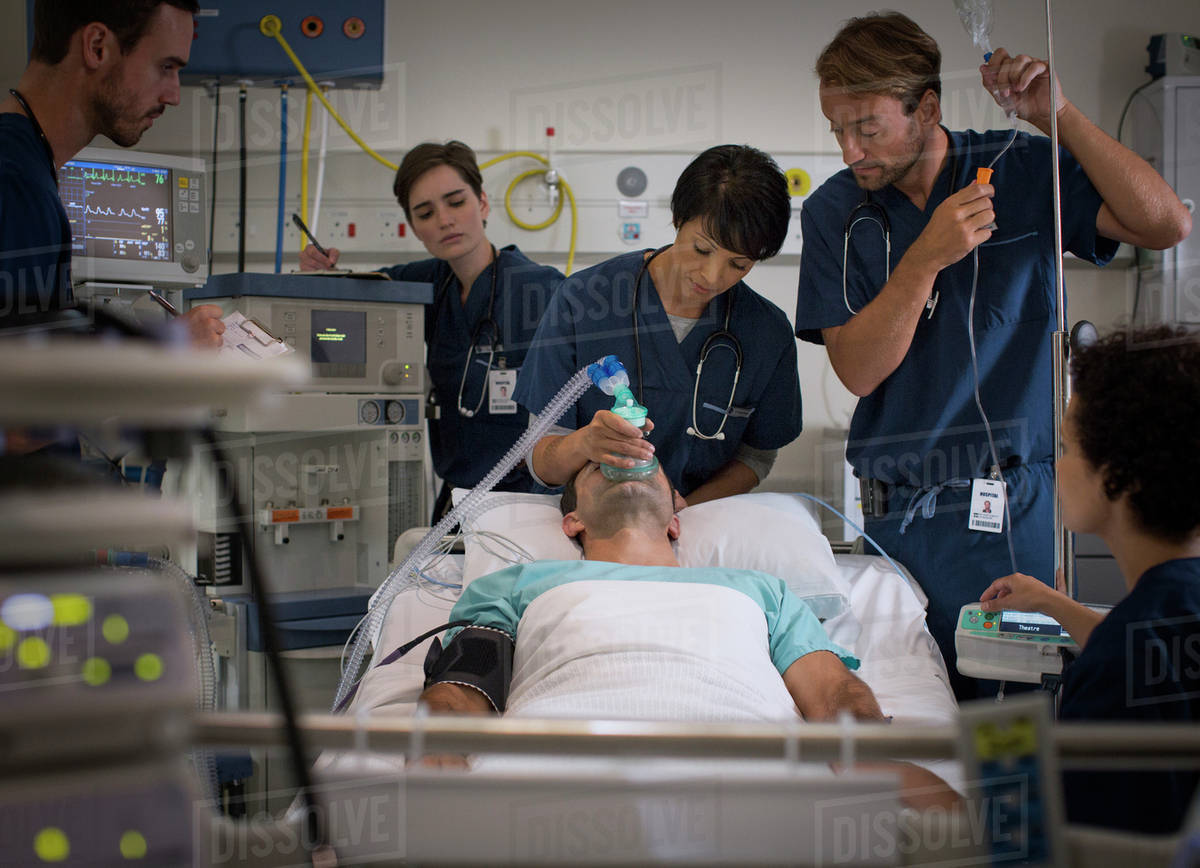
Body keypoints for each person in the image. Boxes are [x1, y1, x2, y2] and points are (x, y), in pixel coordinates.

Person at [794, 12, 1192, 699]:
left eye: (868, 128)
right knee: (914, 705)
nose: (850, 150)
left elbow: (1166, 223)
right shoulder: (837, 213)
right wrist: (926, 259)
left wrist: (1058, 114)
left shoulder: (1017, 168)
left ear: (926, 108)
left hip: (1017, 511)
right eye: (837, 129)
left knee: (1017, 717)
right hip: (903, 523)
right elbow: (859, 369)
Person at [418, 457, 958, 809]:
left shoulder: (760, 589)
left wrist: (868, 757)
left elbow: (832, 689)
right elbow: (467, 682)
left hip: (752, 777)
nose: (626, 463)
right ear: (573, 522)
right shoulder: (517, 582)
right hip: (550, 777)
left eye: (649, 468)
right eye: (599, 467)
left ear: (676, 518)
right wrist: (439, 749)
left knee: (948, 814)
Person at [978, 325, 1200, 835]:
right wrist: (1052, 603)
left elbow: (1086, 848)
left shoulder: (1114, 672)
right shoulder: (1165, 615)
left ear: (1117, 474)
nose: (1057, 464)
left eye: (1068, 445)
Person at [513, 145, 802, 507]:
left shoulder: (765, 332)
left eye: (738, 264)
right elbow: (539, 461)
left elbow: (756, 457)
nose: (712, 277)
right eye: (702, 249)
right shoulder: (585, 301)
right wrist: (584, 443)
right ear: (679, 217)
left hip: (693, 529)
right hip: (590, 527)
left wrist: (685, 510)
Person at [300, 141, 563, 517]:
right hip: (457, 501)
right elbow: (353, 300)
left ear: (483, 204)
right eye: (425, 213)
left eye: (456, 202)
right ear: (415, 229)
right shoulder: (421, 286)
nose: (444, 220)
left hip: (530, 502)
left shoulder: (539, 289)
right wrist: (321, 278)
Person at [0, 0, 223, 346]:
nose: (174, 94)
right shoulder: (16, 183)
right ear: (97, 47)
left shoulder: (25, 163)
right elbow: (29, 381)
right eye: (165, 66)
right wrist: (173, 346)